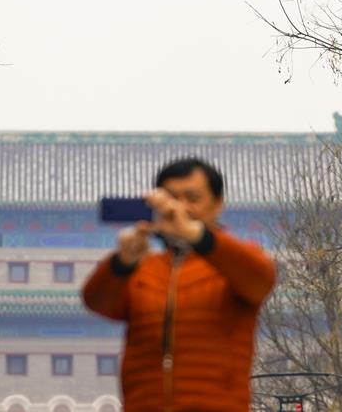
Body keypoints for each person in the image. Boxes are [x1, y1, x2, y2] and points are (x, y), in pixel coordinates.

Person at [81, 158, 276, 412]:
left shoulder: (234, 265)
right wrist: (123, 262)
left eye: (192, 198)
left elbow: (260, 279)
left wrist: (196, 234)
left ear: (218, 205)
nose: (179, 208)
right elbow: (96, 301)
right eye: (171, 198)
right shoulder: (144, 269)